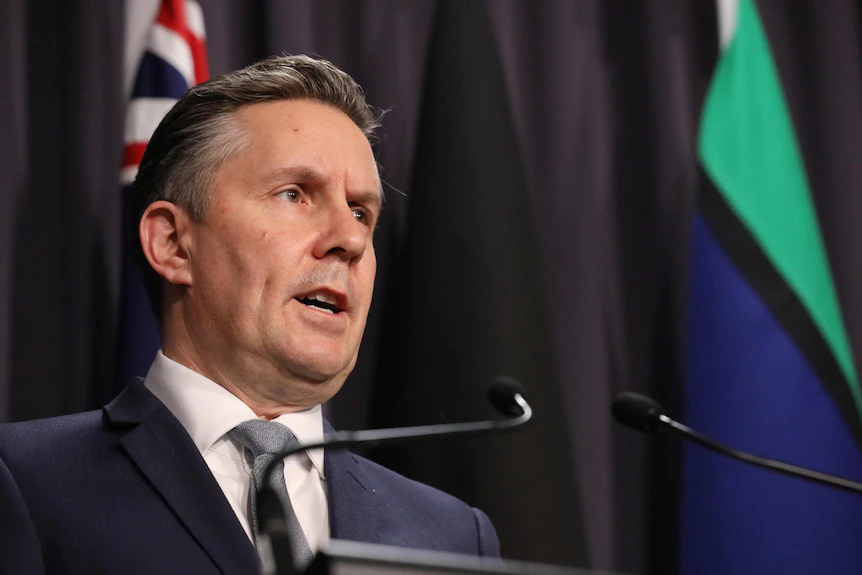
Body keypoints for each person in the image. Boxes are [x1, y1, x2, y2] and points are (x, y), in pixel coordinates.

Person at [0, 55, 499, 574]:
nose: (350, 240)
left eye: (360, 212)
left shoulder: (453, 536)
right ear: (172, 243)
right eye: (295, 194)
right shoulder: (26, 482)